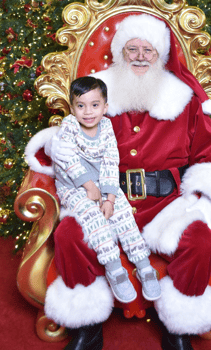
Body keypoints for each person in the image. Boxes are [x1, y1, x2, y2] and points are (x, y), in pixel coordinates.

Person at [25, 14, 211, 350]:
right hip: (105, 199)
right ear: (121, 52)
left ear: (160, 56)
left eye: (148, 50)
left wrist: (201, 203)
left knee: (200, 240)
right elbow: (69, 142)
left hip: (167, 204)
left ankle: (178, 327)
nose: (139, 56)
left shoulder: (184, 100)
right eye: (131, 49)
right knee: (68, 234)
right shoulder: (97, 96)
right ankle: (87, 327)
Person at [53, 76, 161, 304]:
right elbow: (70, 160)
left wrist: (110, 198)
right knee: (96, 221)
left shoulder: (106, 126)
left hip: (101, 181)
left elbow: (111, 161)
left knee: (122, 215)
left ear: (105, 107)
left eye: (95, 105)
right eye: (80, 106)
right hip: (73, 186)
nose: (88, 112)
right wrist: (88, 187)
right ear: (72, 108)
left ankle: (143, 265)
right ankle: (115, 269)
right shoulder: (69, 127)